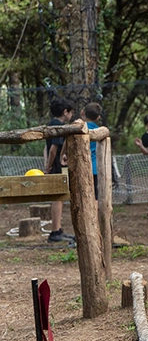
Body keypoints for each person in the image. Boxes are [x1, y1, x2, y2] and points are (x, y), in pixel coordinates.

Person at [44, 97, 76, 244]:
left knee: (59, 198)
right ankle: (55, 231)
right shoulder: (59, 126)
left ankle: (58, 229)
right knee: (58, 198)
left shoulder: (50, 124)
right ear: (65, 112)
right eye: (71, 113)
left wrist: (46, 165)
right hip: (57, 166)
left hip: (54, 166)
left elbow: (46, 147)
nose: (71, 116)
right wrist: (49, 166)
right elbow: (53, 149)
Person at [82, 102, 102, 199]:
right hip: (95, 168)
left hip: (81, 167)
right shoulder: (100, 131)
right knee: (95, 195)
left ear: (83, 112)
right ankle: (94, 214)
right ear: (98, 117)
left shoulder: (79, 128)